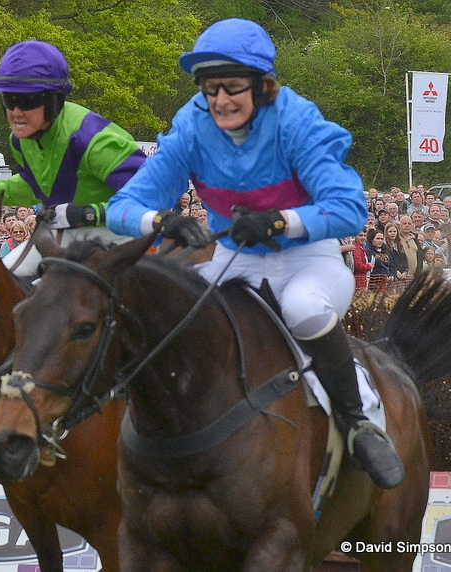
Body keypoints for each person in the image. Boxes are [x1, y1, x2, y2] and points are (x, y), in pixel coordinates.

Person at [106, 18, 403, 488]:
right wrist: (161, 222)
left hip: (309, 257)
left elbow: (349, 209)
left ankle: (358, 421)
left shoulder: (296, 120)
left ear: (263, 86)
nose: (220, 100)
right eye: (210, 88)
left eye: (232, 87)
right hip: (236, 259)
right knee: (177, 316)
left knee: (302, 308)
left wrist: (280, 221)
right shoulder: (191, 125)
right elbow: (122, 207)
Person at [0, 39, 144, 250]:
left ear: (54, 101)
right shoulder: (19, 141)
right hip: (65, 234)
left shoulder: (93, 140)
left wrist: (90, 214)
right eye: (9, 99)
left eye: (27, 101)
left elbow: (150, 194)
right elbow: (33, 186)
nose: (16, 112)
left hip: (123, 234)